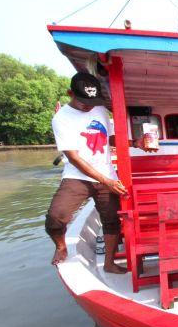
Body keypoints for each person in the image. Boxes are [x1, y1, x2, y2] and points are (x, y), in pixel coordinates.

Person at [46, 72, 153, 271]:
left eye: (92, 101)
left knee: (111, 220)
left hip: (106, 174)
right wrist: (106, 181)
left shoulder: (100, 109)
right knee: (55, 218)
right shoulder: (61, 118)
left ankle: (109, 264)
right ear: (70, 93)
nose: (89, 106)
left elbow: (108, 137)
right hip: (77, 177)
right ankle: (60, 246)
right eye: (84, 102)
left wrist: (134, 143)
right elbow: (74, 158)